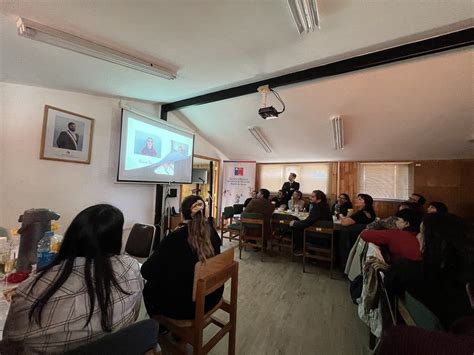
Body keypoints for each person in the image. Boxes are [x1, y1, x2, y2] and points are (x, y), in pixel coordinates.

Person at [3, 204, 143, 353]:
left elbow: (9, 344)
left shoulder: (33, 289)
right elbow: (134, 314)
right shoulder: (131, 268)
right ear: (115, 239)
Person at [384, 213, 474, 329]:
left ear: (435, 241)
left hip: (425, 337)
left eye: (421, 232)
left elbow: (388, 287)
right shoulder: (466, 280)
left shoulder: (406, 268)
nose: (418, 236)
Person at [141, 195, 222, 320]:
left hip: (187, 308)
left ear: (182, 214)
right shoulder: (212, 232)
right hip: (213, 296)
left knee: (149, 288)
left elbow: (146, 271)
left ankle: (162, 328)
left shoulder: (174, 238)